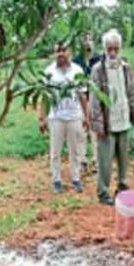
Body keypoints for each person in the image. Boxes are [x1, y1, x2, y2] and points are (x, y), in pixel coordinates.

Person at [90, 29, 134, 206]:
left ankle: (123, 187)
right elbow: (94, 99)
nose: (112, 52)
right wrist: (97, 125)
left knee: (124, 158)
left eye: (115, 48)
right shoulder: (98, 69)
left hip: (124, 119)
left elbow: (132, 92)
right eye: (109, 48)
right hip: (107, 122)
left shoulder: (126, 67)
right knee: (105, 160)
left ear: (120, 48)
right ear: (104, 48)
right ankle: (103, 192)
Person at [39, 41, 89, 194]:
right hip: (56, 117)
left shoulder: (77, 70)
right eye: (57, 50)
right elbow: (44, 97)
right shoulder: (49, 72)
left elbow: (82, 95)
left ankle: (76, 179)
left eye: (63, 50)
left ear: (70, 52)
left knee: (75, 151)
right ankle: (56, 180)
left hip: (74, 116)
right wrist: (41, 118)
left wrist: (87, 116)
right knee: (55, 152)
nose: (60, 53)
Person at [74, 33, 102, 174]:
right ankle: (82, 161)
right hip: (80, 101)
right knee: (81, 133)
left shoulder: (99, 60)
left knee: (96, 133)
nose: (87, 42)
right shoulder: (76, 61)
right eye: (85, 39)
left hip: (96, 100)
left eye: (90, 39)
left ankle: (96, 162)